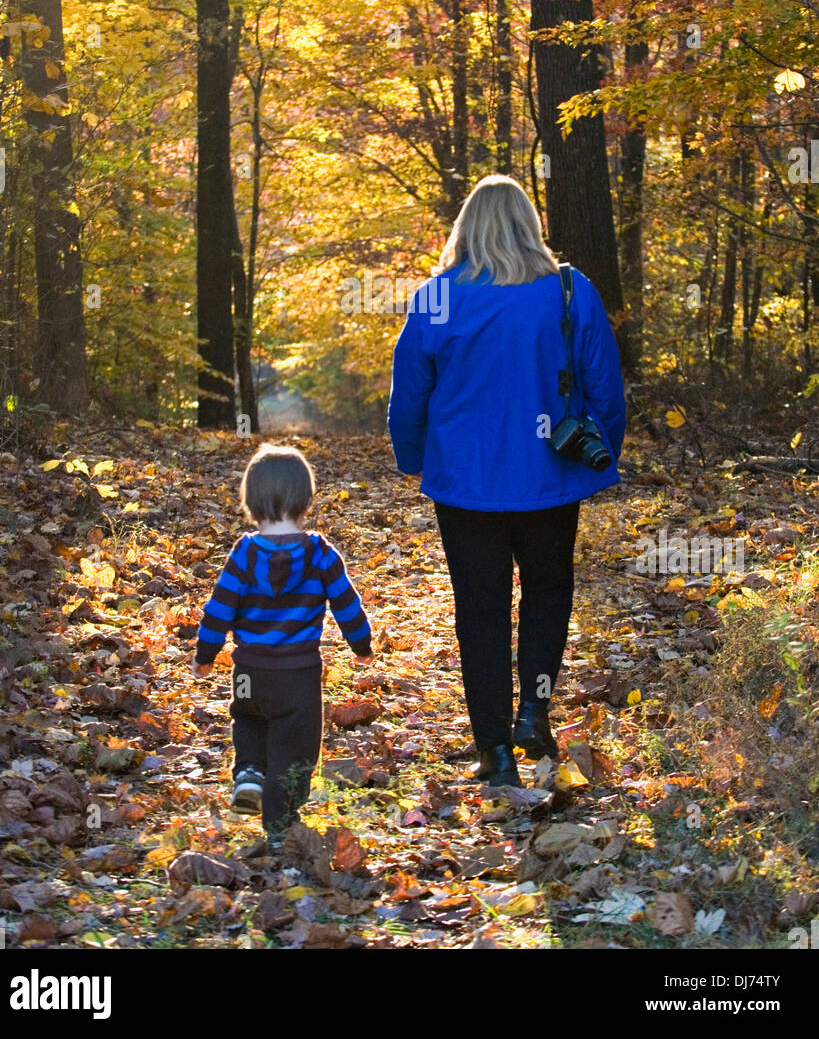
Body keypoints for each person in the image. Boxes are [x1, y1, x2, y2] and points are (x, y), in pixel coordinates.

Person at [387, 175, 626, 787]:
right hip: (550, 475)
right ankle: (533, 711)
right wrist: (602, 455)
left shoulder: (437, 298)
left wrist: (413, 459)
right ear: (529, 225)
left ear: (466, 227)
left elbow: (409, 396)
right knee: (548, 591)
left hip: (465, 481)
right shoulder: (570, 292)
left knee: (480, 607)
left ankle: (492, 746)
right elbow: (605, 390)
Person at [192, 443, 373, 838]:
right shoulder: (320, 554)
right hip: (298, 674)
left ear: (251, 501)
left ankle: (249, 773)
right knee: (296, 747)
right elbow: (347, 605)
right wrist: (361, 645)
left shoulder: (243, 553)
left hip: (249, 671)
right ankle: (280, 823)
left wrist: (205, 654)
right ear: (306, 500)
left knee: (248, 718)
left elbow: (218, 608)